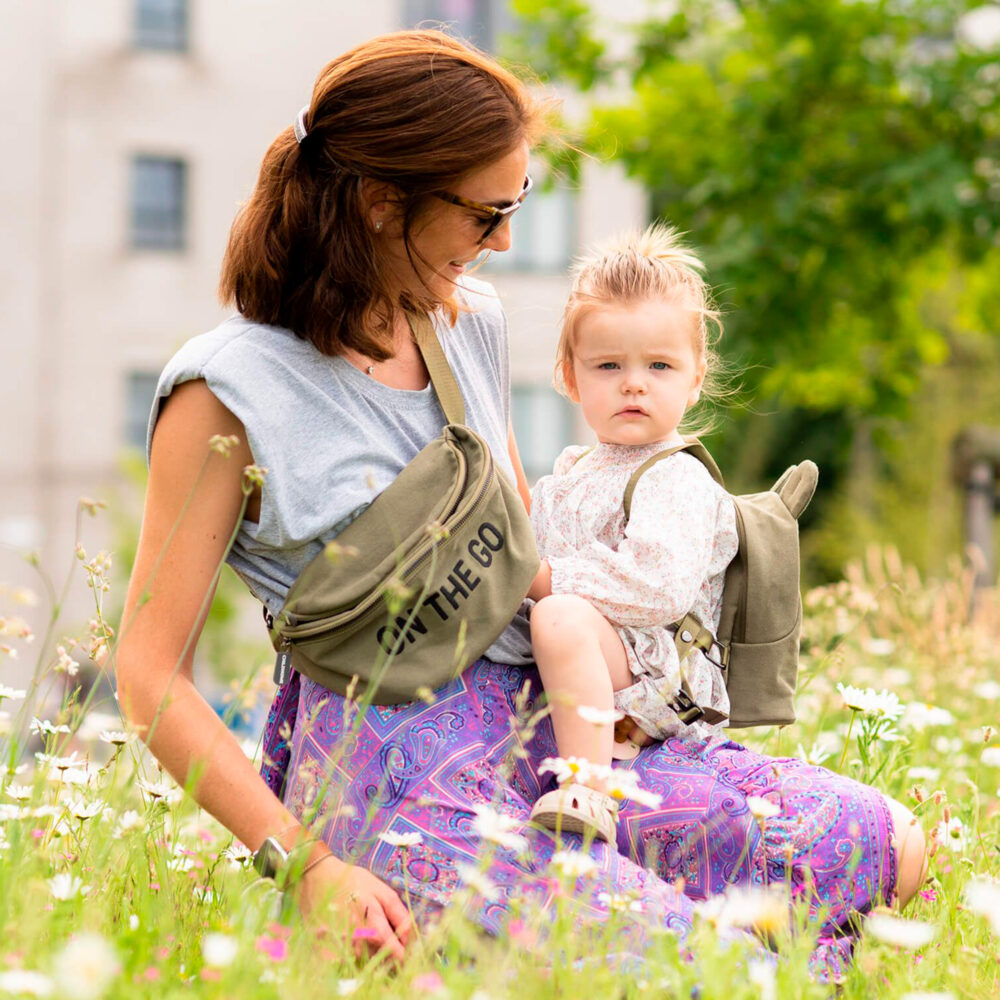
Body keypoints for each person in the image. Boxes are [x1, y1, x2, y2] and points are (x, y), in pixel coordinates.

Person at [115, 29, 925, 972]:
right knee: (688, 973)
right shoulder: (224, 392)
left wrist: (634, 677)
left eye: (518, 203)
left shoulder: (468, 323)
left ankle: (671, 926)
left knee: (885, 845)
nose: (504, 239)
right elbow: (148, 677)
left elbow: (523, 553)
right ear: (383, 204)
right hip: (400, 773)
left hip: (557, 742)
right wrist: (312, 867)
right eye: (484, 213)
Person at [525, 225, 737, 845]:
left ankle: (588, 791)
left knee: (559, 616)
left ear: (696, 377)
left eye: (660, 365)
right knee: (551, 617)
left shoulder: (676, 475)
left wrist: (547, 582)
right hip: (601, 658)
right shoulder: (570, 472)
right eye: (609, 365)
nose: (634, 383)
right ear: (570, 377)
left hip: (660, 671)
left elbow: (659, 588)